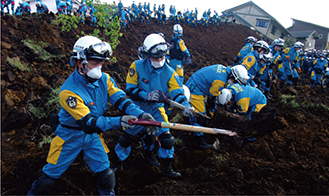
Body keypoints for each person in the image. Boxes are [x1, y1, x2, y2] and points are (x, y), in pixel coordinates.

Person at [27, 36, 156, 196]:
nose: (99, 68)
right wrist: (120, 122)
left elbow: (121, 100)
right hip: (69, 137)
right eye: (95, 63)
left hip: (91, 137)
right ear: (81, 62)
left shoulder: (105, 79)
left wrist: (141, 114)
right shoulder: (69, 92)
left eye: (101, 63)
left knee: (107, 176)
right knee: (47, 182)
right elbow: (89, 122)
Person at [114, 33, 195, 178]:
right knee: (127, 137)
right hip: (137, 106)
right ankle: (117, 162)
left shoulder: (170, 72)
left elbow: (177, 92)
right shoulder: (137, 66)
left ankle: (165, 166)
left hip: (157, 108)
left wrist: (185, 105)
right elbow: (130, 90)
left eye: (162, 57)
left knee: (166, 137)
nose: (159, 60)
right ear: (147, 55)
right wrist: (146, 95)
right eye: (155, 58)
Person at [185, 64, 249, 149]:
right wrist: (212, 110)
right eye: (235, 81)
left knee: (199, 111)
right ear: (232, 76)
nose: (234, 83)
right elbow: (211, 99)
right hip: (195, 90)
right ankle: (197, 140)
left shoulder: (223, 69)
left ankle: (191, 126)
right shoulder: (220, 81)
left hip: (197, 84)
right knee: (200, 115)